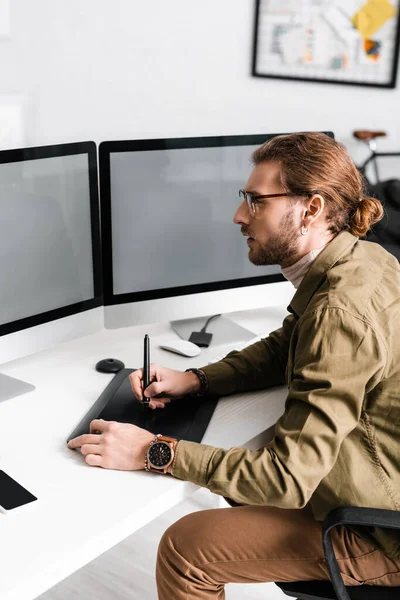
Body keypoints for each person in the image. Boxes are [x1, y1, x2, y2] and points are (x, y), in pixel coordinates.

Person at [68, 132, 400, 598]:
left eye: (256, 201)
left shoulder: (339, 310)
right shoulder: (363, 258)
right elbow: (287, 345)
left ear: (312, 208)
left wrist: (152, 451)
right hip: (379, 480)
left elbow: (285, 479)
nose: (239, 215)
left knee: (187, 549)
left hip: (384, 534)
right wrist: (195, 380)